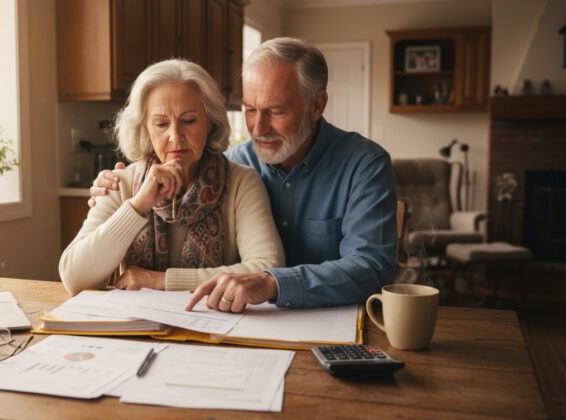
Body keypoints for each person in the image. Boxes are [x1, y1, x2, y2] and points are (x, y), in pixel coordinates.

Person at [89, 38, 397, 313]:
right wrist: (120, 190)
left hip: (337, 321)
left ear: (317, 105)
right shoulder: (232, 166)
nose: (258, 128)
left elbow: (371, 267)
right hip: (249, 323)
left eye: (275, 112)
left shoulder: (364, 165)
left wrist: (273, 283)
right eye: (250, 109)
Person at [59, 59, 285, 295]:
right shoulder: (120, 183)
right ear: (144, 128)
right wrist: (138, 205)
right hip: (135, 327)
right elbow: (74, 278)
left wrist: (160, 280)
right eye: (161, 123)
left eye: (188, 121)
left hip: (215, 325)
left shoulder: (242, 182)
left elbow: (267, 269)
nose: (175, 137)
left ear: (210, 122)